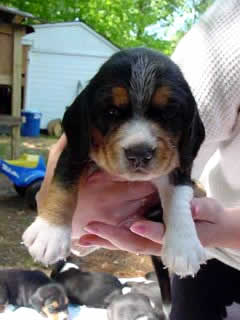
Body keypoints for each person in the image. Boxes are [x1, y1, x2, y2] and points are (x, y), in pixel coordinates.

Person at [36, 0, 240, 318]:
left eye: (166, 113)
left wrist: (193, 228)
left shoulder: (182, 138)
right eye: (113, 112)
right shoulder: (230, 29)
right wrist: (56, 215)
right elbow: (67, 163)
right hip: (219, 269)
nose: (139, 142)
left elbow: (181, 175)